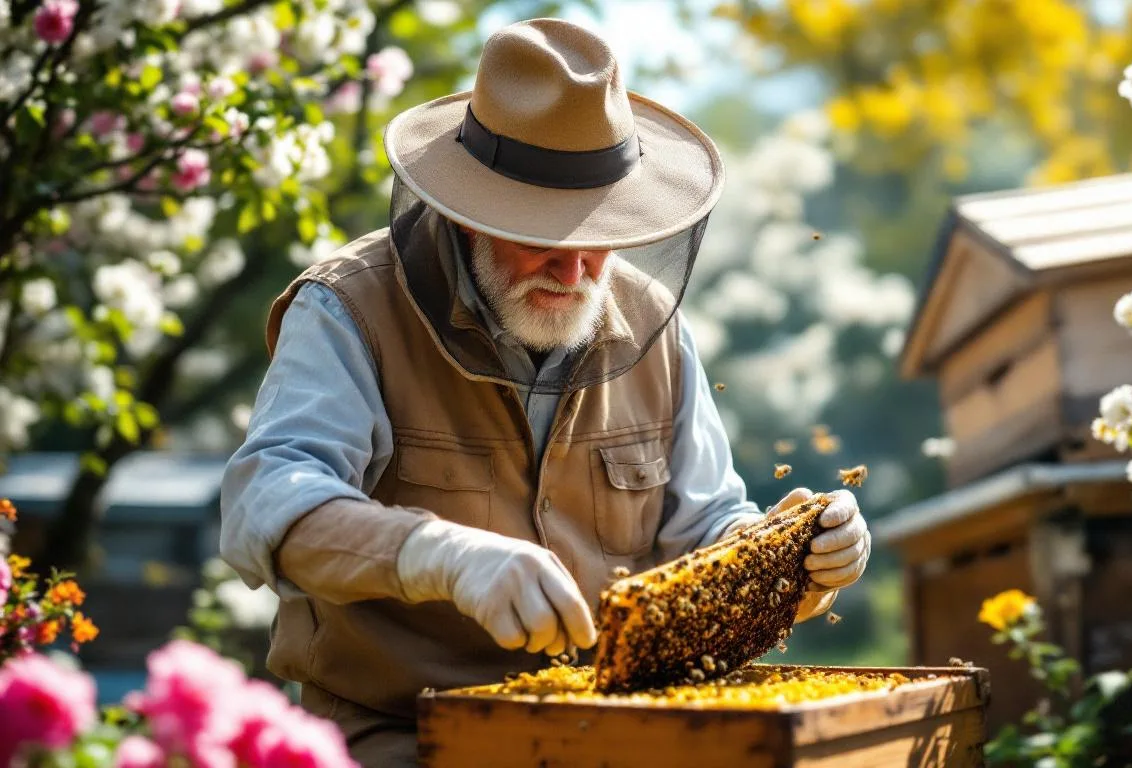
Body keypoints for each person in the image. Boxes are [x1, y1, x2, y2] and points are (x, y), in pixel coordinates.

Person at [219, 17, 871, 766]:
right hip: (400, 737)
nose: (574, 271)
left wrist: (799, 560)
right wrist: (438, 556)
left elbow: (706, 525)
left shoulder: (653, 322)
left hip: (614, 738)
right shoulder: (349, 310)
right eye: (540, 235)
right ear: (468, 212)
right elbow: (263, 504)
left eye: (596, 234)